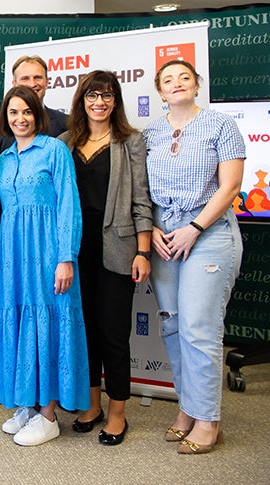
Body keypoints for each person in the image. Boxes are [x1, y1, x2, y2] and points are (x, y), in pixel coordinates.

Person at [144, 60, 245, 455]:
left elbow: (231, 185)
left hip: (208, 232)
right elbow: (142, 188)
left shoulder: (221, 125)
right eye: (168, 80)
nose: (177, 84)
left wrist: (195, 228)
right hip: (163, 235)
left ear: (197, 84)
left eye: (184, 77)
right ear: (160, 90)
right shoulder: (150, 132)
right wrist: (151, 228)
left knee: (199, 328)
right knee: (173, 325)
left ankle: (208, 420)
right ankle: (188, 408)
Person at [58, 70, 152, 446]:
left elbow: (142, 201)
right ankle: (92, 405)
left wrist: (143, 251)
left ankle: (117, 413)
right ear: (81, 101)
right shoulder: (64, 142)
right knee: (84, 332)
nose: (99, 102)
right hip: (75, 252)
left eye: (107, 95)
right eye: (92, 95)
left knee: (113, 334)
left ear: (116, 101)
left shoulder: (130, 141)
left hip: (117, 250)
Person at [0, 85, 89, 446]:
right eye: (14, 112)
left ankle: (48, 415)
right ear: (6, 117)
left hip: (49, 254)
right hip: (14, 256)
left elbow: (69, 206)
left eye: (27, 112)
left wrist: (66, 257)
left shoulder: (55, 150)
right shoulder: (4, 159)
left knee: (48, 324)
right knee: (19, 322)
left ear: (38, 115)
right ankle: (28, 405)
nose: (21, 119)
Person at [0, 55, 69, 157]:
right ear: (14, 84)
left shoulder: (65, 123)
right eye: (25, 78)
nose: (32, 84)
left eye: (37, 77)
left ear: (47, 82)